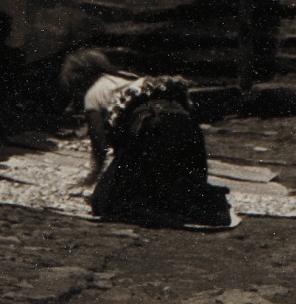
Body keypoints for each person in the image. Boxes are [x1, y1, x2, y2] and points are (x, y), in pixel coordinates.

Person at [58, 49, 230, 228]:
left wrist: (94, 177)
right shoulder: (128, 78)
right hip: (188, 126)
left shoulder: (93, 95)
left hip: (152, 128)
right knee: (176, 188)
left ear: (79, 79)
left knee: (107, 202)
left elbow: (99, 146)